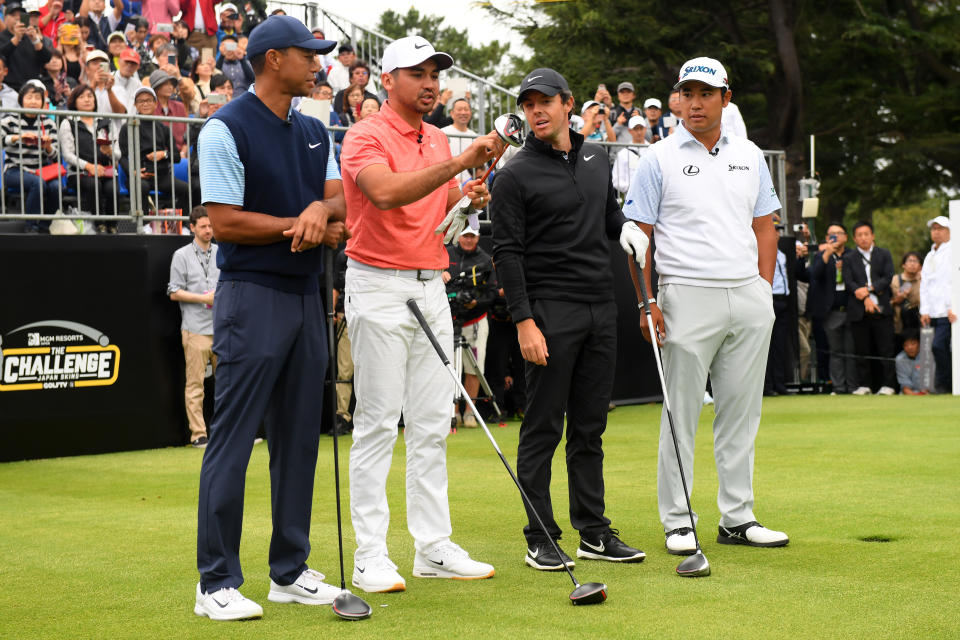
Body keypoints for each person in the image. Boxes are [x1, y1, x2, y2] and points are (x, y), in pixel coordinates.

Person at [193, 15, 346, 621]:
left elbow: (338, 203)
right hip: (251, 295)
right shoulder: (224, 127)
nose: (319, 64)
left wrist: (318, 209)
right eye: (310, 55)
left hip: (307, 295)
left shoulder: (314, 129)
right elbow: (225, 221)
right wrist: (299, 224)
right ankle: (215, 582)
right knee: (233, 438)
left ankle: (288, 570)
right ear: (274, 59)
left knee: (298, 440)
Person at [339, 35, 502, 593]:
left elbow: (441, 210)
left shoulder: (435, 137)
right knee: (379, 423)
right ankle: (369, 554)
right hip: (378, 284)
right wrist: (458, 163)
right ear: (388, 80)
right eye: (417, 73)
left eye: (435, 73)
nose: (430, 83)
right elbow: (384, 194)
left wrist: (467, 197)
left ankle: (432, 546)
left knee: (432, 423)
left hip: (432, 284)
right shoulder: (365, 135)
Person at [623, 56, 789, 554]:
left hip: (747, 296)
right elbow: (639, 236)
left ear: (725, 98)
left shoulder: (750, 155)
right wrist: (646, 301)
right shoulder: (657, 158)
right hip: (686, 295)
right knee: (681, 412)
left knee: (741, 413)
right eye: (687, 94)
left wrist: (762, 289)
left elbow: (765, 226)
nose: (696, 103)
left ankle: (737, 518)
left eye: (706, 94)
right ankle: (678, 520)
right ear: (677, 99)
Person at [491, 67, 648, 570]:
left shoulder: (597, 156)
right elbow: (507, 252)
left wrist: (626, 228)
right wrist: (524, 321)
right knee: (542, 426)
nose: (536, 111)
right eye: (528, 104)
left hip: (601, 305)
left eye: (545, 102)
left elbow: (607, 215)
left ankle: (593, 531)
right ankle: (540, 534)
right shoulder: (515, 172)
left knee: (590, 426)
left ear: (567, 104)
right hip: (549, 310)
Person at [167, 205, 220, 447]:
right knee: (196, 384)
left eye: (210, 226)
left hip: (220, 328)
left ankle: (229, 433)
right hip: (195, 328)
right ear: (192, 228)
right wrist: (203, 299)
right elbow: (174, 292)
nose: (208, 230)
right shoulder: (181, 256)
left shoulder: (221, 252)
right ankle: (198, 434)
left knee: (229, 385)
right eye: (203, 226)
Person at [443, 226, 496, 428]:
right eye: (465, 235)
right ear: (459, 236)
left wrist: (476, 302)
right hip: (448, 320)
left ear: (478, 237)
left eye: (472, 236)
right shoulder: (446, 254)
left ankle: (469, 413)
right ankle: (452, 412)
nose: (468, 239)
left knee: (473, 367)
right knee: (451, 368)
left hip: (475, 321)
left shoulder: (485, 259)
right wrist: (440, 272)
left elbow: (491, 293)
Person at [843, 221, 896, 396]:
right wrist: (865, 297)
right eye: (859, 235)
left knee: (885, 348)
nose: (863, 238)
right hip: (859, 311)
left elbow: (888, 276)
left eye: (866, 234)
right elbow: (849, 281)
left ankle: (888, 384)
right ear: (854, 238)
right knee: (861, 348)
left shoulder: (884, 254)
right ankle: (864, 384)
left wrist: (869, 289)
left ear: (872, 235)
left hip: (882, 309)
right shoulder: (849, 258)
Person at [1, 81, 60, 232]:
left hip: (41, 170)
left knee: (56, 187)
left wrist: (47, 147)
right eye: (29, 97)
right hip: (14, 169)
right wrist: (17, 137)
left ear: (42, 102)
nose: (33, 101)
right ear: (21, 100)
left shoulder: (48, 123)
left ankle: (45, 226)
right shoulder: (10, 119)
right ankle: (31, 226)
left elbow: (56, 156)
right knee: (37, 183)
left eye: (37, 98)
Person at [58, 83, 120, 226]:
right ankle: (98, 224)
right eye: (81, 97)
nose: (87, 100)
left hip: (106, 171)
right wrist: (89, 166)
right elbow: (67, 155)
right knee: (93, 184)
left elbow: (118, 154)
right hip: (79, 172)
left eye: (90, 96)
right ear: (74, 101)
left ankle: (112, 226)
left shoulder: (106, 122)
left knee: (113, 188)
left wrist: (110, 152)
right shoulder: (68, 123)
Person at [809, 223, 859, 394]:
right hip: (831, 311)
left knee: (851, 351)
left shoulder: (853, 255)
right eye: (832, 234)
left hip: (851, 310)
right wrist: (827, 254)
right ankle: (838, 387)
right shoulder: (823, 255)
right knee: (835, 351)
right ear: (827, 238)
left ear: (846, 237)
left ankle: (852, 386)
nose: (836, 237)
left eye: (839, 233)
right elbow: (814, 275)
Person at [919, 215, 954, 393]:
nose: (936, 232)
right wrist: (924, 310)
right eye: (934, 229)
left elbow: (952, 282)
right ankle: (944, 383)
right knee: (938, 348)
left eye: (940, 229)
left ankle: (945, 384)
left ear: (949, 232)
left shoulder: (954, 251)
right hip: (933, 312)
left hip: (949, 312)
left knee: (939, 346)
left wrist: (953, 306)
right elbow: (925, 284)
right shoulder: (929, 255)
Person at [0, 3, 54, 91]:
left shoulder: (30, 36)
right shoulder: (2, 37)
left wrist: (35, 40)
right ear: (5, 18)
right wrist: (16, 38)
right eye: (13, 15)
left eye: (20, 15)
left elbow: (47, 58)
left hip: (32, 87)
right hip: (10, 89)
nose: (18, 18)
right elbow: (2, 55)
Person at [764, 246, 790, 396]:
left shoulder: (782, 254)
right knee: (766, 345)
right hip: (769, 298)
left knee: (779, 346)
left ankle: (780, 384)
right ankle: (767, 386)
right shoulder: (760, 250)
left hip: (783, 299)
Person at [441, 97, 476, 185]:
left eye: (466, 109)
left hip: (471, 186)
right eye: (459, 110)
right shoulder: (442, 133)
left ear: (470, 113)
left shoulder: (474, 136)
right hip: (449, 185)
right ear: (452, 113)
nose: (463, 112)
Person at [611, 115, 646, 195]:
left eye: (641, 128)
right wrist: (633, 188)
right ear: (630, 131)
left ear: (645, 129)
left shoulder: (653, 150)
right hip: (630, 197)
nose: (639, 132)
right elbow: (616, 180)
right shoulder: (623, 153)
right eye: (636, 129)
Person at [891, 251, 922, 339]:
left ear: (920, 266)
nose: (912, 264)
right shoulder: (895, 280)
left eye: (915, 261)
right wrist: (899, 298)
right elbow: (889, 302)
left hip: (919, 323)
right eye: (910, 261)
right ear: (903, 265)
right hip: (899, 324)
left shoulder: (924, 280)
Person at [215, 33, 252, 97]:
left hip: (243, 99)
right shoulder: (218, 64)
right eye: (226, 46)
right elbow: (215, 78)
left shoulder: (246, 63)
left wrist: (242, 59)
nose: (228, 50)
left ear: (237, 47)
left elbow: (252, 79)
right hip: (223, 100)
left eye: (231, 46)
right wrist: (222, 55)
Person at [895, 330, 927, 395]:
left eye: (913, 343)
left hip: (930, 391)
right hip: (910, 393)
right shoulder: (900, 359)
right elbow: (904, 385)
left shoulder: (928, 356)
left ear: (919, 344)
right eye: (906, 345)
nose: (910, 347)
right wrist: (914, 395)